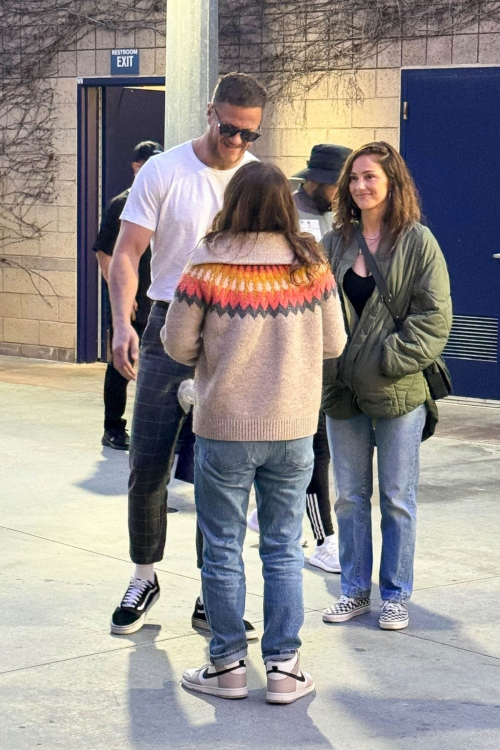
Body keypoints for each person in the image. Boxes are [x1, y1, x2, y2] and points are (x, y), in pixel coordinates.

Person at [162, 161, 347, 703]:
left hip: (224, 426)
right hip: (293, 429)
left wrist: (217, 361)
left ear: (234, 201)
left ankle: (227, 668)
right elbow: (334, 343)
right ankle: (285, 670)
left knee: (222, 546)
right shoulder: (311, 262)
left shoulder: (209, 258)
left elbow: (176, 344)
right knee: (284, 546)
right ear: (286, 205)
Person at [107, 73, 266, 638]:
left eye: (249, 133)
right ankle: (144, 575)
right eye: (228, 128)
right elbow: (127, 253)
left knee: (217, 473)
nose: (236, 142)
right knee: (147, 459)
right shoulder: (165, 169)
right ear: (209, 112)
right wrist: (122, 322)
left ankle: (212, 594)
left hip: (231, 334)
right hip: (166, 323)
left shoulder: (254, 178)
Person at [320, 142, 452, 631]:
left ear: (392, 183)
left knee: (397, 497)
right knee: (350, 497)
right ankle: (354, 590)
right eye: (353, 178)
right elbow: (315, 308)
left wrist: (386, 360)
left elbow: (434, 319)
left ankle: (395, 594)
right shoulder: (334, 244)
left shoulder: (417, 243)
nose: (360, 186)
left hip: (397, 392)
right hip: (341, 393)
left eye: (370, 177)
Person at [247, 143, 352, 574]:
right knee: (313, 449)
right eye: (332, 183)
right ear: (313, 177)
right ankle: (323, 537)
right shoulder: (287, 212)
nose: (335, 190)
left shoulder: (345, 216)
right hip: (296, 340)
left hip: (333, 335)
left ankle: (263, 512)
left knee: (317, 445)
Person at [93, 141, 162, 450]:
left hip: (156, 298)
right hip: (130, 300)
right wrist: (123, 295)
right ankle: (113, 427)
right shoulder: (121, 204)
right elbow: (104, 255)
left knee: (159, 365)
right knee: (122, 362)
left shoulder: (162, 202)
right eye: (147, 164)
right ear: (136, 166)